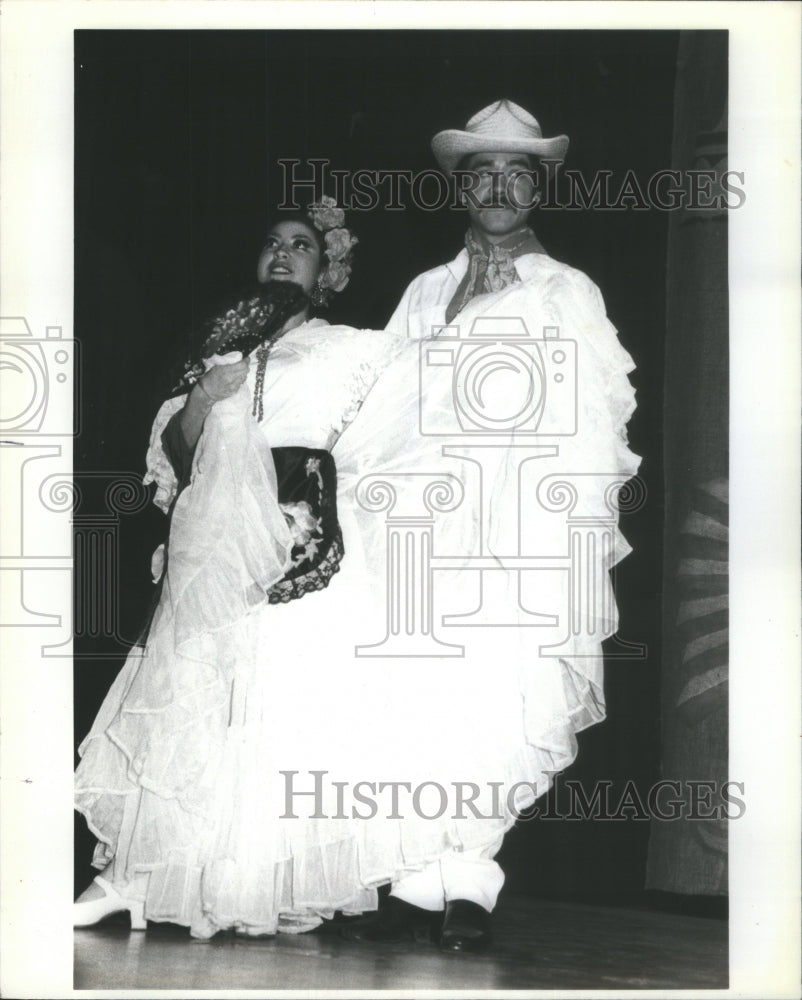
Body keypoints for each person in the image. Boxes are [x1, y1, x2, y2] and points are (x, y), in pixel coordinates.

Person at [330, 99, 641, 950]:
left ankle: (470, 874)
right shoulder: (427, 287)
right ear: (461, 187)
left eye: (517, 172)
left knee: (496, 687)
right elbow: (378, 398)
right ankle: (416, 876)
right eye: (483, 172)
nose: (499, 187)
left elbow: (596, 413)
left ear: (538, 188)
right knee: (414, 688)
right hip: (416, 526)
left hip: (511, 528)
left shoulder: (565, 287)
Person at [73, 199, 404, 938]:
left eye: (303, 247)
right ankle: (134, 876)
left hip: (304, 542)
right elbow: (177, 464)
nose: (283, 255)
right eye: (272, 244)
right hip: (215, 549)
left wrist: (316, 518)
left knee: (277, 714)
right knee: (190, 694)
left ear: (331, 271)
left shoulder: (356, 348)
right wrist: (203, 397)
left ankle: (264, 881)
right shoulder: (219, 351)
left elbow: (382, 453)